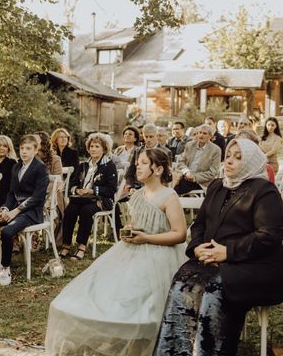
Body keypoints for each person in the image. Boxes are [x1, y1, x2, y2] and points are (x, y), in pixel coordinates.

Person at [45, 148, 187, 356]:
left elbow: (180, 233)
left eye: (144, 163)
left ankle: (143, 343)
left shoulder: (169, 196)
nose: (137, 165)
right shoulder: (137, 194)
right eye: (137, 162)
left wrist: (146, 238)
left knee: (145, 307)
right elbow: (136, 223)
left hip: (160, 255)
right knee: (107, 293)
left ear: (158, 169)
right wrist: (129, 232)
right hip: (132, 250)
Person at [154, 139, 283, 356]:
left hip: (256, 266)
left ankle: (212, 351)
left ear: (251, 162)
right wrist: (197, 248)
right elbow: (199, 224)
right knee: (182, 279)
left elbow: (268, 236)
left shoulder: (265, 190)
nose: (230, 161)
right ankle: (175, 350)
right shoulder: (217, 185)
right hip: (211, 259)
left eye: (238, 157)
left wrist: (227, 252)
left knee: (214, 286)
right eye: (229, 155)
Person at [0, 135, 49, 286]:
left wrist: (15, 211)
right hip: (13, 209)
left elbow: (38, 197)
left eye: (28, 149)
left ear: (35, 150)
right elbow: (11, 193)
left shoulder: (41, 168)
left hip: (31, 212)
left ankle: (5, 268)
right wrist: (5, 209)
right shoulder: (16, 167)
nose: (24, 152)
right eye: (22, 148)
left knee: (7, 232)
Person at [59, 133, 118, 261]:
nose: (93, 149)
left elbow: (111, 190)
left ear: (104, 149)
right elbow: (72, 183)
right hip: (81, 198)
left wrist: (92, 190)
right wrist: (77, 190)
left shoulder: (109, 166)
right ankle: (66, 245)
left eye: (97, 146)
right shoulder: (83, 165)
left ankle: (82, 246)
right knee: (70, 210)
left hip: (101, 200)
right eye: (91, 146)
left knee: (86, 211)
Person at [174, 124, 221, 195]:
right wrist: (187, 172)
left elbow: (213, 172)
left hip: (201, 182)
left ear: (210, 136)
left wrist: (194, 177)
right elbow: (180, 162)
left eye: (204, 133)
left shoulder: (216, 150)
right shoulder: (189, 145)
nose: (201, 135)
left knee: (174, 191)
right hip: (186, 177)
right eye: (199, 133)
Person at [125, 124, 171, 191]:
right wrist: (131, 187)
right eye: (146, 137)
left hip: (157, 188)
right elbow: (130, 172)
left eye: (151, 137)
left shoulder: (165, 152)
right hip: (138, 187)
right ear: (143, 136)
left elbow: (167, 175)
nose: (148, 139)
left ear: (157, 136)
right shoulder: (138, 151)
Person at [0, 135, 18, 208]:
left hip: (3, 201)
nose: (1, 148)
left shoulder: (12, 163)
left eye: (5, 146)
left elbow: (13, 186)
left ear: (9, 149)